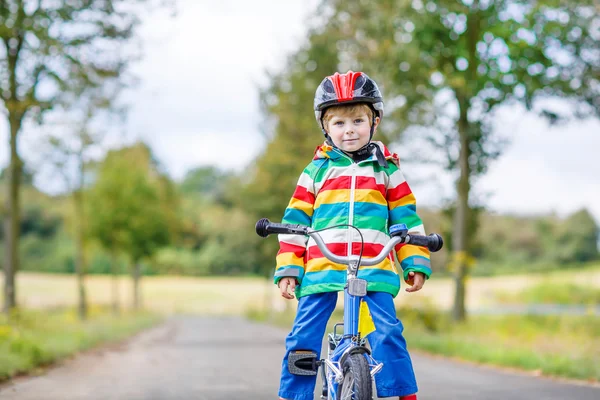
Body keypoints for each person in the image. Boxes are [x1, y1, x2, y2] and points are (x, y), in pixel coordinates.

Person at [274, 71, 431, 400]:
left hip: (373, 267)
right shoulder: (316, 170)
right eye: (340, 124)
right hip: (321, 269)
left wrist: (415, 260)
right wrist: (289, 267)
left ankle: (404, 394)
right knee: (303, 337)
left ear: (374, 121)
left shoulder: (386, 170)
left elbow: (406, 217)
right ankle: (293, 396)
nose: (349, 131)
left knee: (388, 334)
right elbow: (295, 221)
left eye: (358, 120)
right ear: (326, 128)